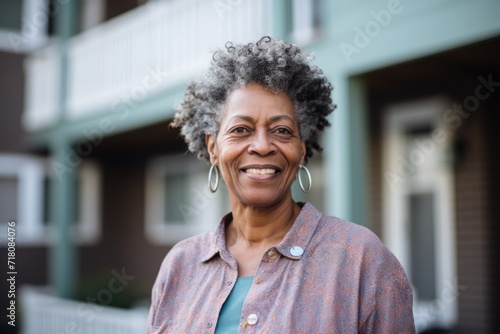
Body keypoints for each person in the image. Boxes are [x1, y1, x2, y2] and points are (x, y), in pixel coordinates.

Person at [146, 36, 415, 333]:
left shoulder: (360, 259)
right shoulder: (180, 265)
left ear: (301, 149)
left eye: (281, 130)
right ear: (213, 148)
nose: (262, 145)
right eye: (241, 129)